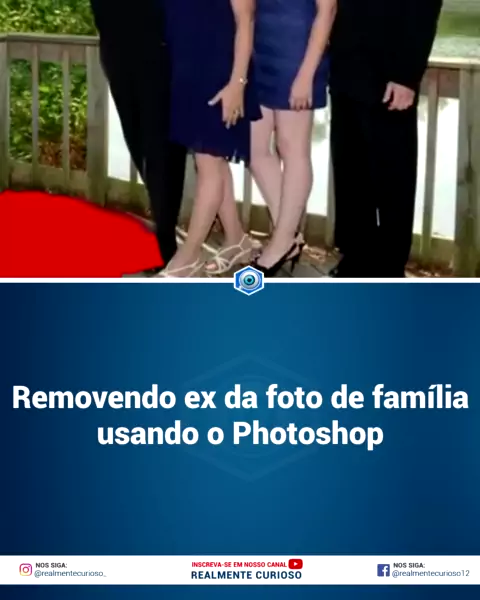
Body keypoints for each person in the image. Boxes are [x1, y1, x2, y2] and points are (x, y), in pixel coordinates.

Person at [205, 0, 336, 277]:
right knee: (254, 149)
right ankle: (288, 236)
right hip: (261, 50)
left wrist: (306, 75)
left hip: (298, 52)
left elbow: (328, 10)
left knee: (292, 148)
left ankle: (281, 242)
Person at [329, 0, 443, 278]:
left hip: (390, 79)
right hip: (345, 73)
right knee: (349, 173)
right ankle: (356, 260)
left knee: (393, 179)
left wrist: (407, 76)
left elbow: (424, 9)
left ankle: (390, 268)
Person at [156, 0, 260, 278]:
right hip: (187, 72)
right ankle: (237, 239)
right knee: (211, 160)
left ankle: (188, 257)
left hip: (219, 74)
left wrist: (237, 83)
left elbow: (246, 20)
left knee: (209, 165)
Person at [89, 0, 187, 269]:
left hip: (159, 58)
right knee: (138, 146)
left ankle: (168, 246)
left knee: (163, 152)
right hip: (117, 56)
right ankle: (166, 235)